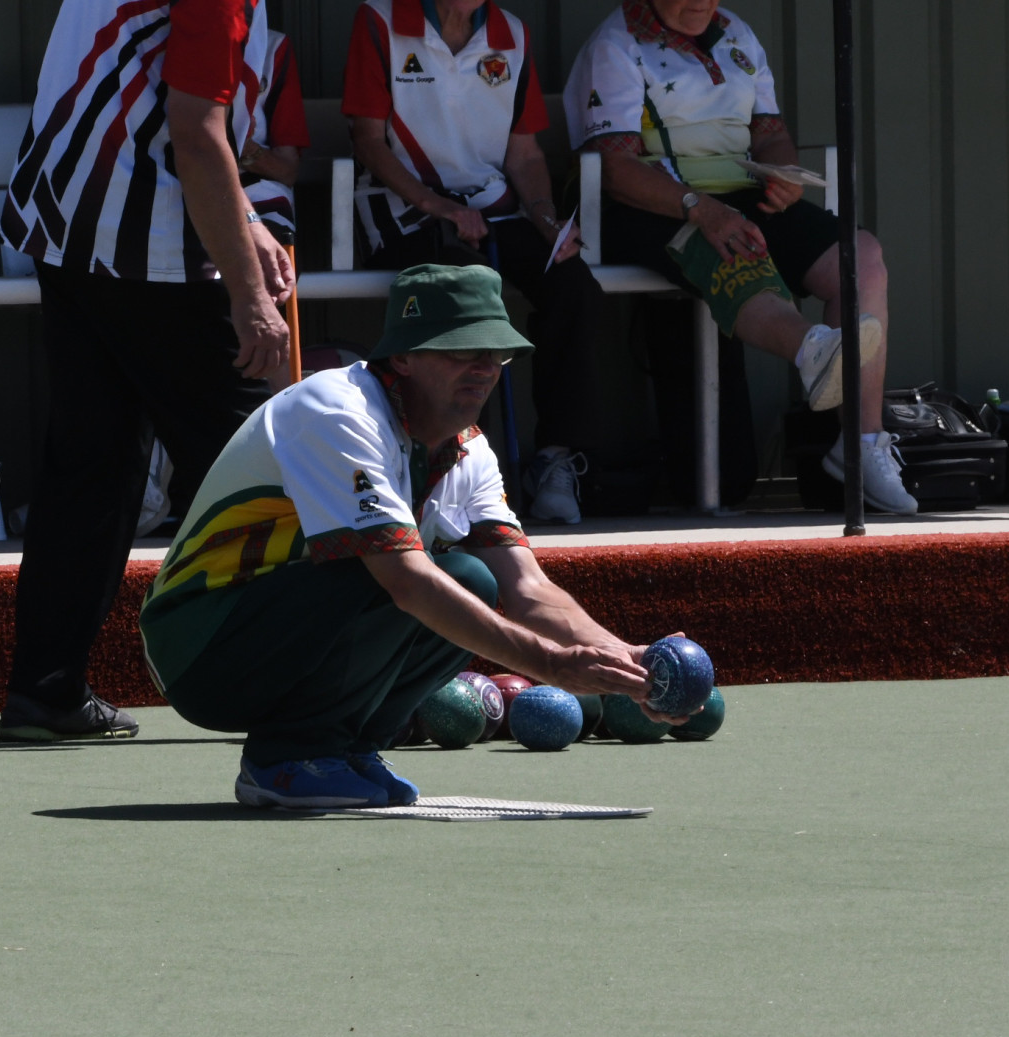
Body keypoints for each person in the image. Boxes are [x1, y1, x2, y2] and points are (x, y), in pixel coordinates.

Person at [139, 265, 688, 810]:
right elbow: (404, 582)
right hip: (200, 644)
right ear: (401, 358)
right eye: (460, 350)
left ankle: (349, 748)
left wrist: (623, 658)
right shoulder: (336, 412)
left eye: (496, 354)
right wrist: (551, 664)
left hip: (270, 635)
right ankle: (286, 759)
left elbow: (528, 589)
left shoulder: (470, 448)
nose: (483, 368)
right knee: (383, 567)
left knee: (471, 578)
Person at [0, 0, 295, 741]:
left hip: (66, 230)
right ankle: (304, 690)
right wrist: (251, 298)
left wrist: (247, 219)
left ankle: (46, 689)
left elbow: (156, 102)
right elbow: (194, 136)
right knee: (265, 467)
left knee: (92, 465)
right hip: (146, 244)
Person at [565, 0, 916, 512]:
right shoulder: (616, 45)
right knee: (736, 250)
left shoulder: (737, 35)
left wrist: (783, 178)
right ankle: (811, 350)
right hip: (656, 203)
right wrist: (700, 208)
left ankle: (861, 447)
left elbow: (770, 134)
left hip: (742, 195)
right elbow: (615, 170)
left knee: (859, 255)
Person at [342, 0, 607, 525]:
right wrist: (435, 203)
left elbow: (525, 154)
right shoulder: (380, 20)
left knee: (574, 285)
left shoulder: (511, 33)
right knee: (459, 295)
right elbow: (369, 141)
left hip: (490, 206)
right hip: (404, 208)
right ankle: (446, 467)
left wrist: (547, 221)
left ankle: (554, 459)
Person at [240, 30, 311, 394]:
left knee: (270, 249)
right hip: (169, 179)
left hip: (254, 181)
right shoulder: (153, 31)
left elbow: (287, 170)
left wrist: (239, 149)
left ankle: (279, 407)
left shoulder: (271, 45)